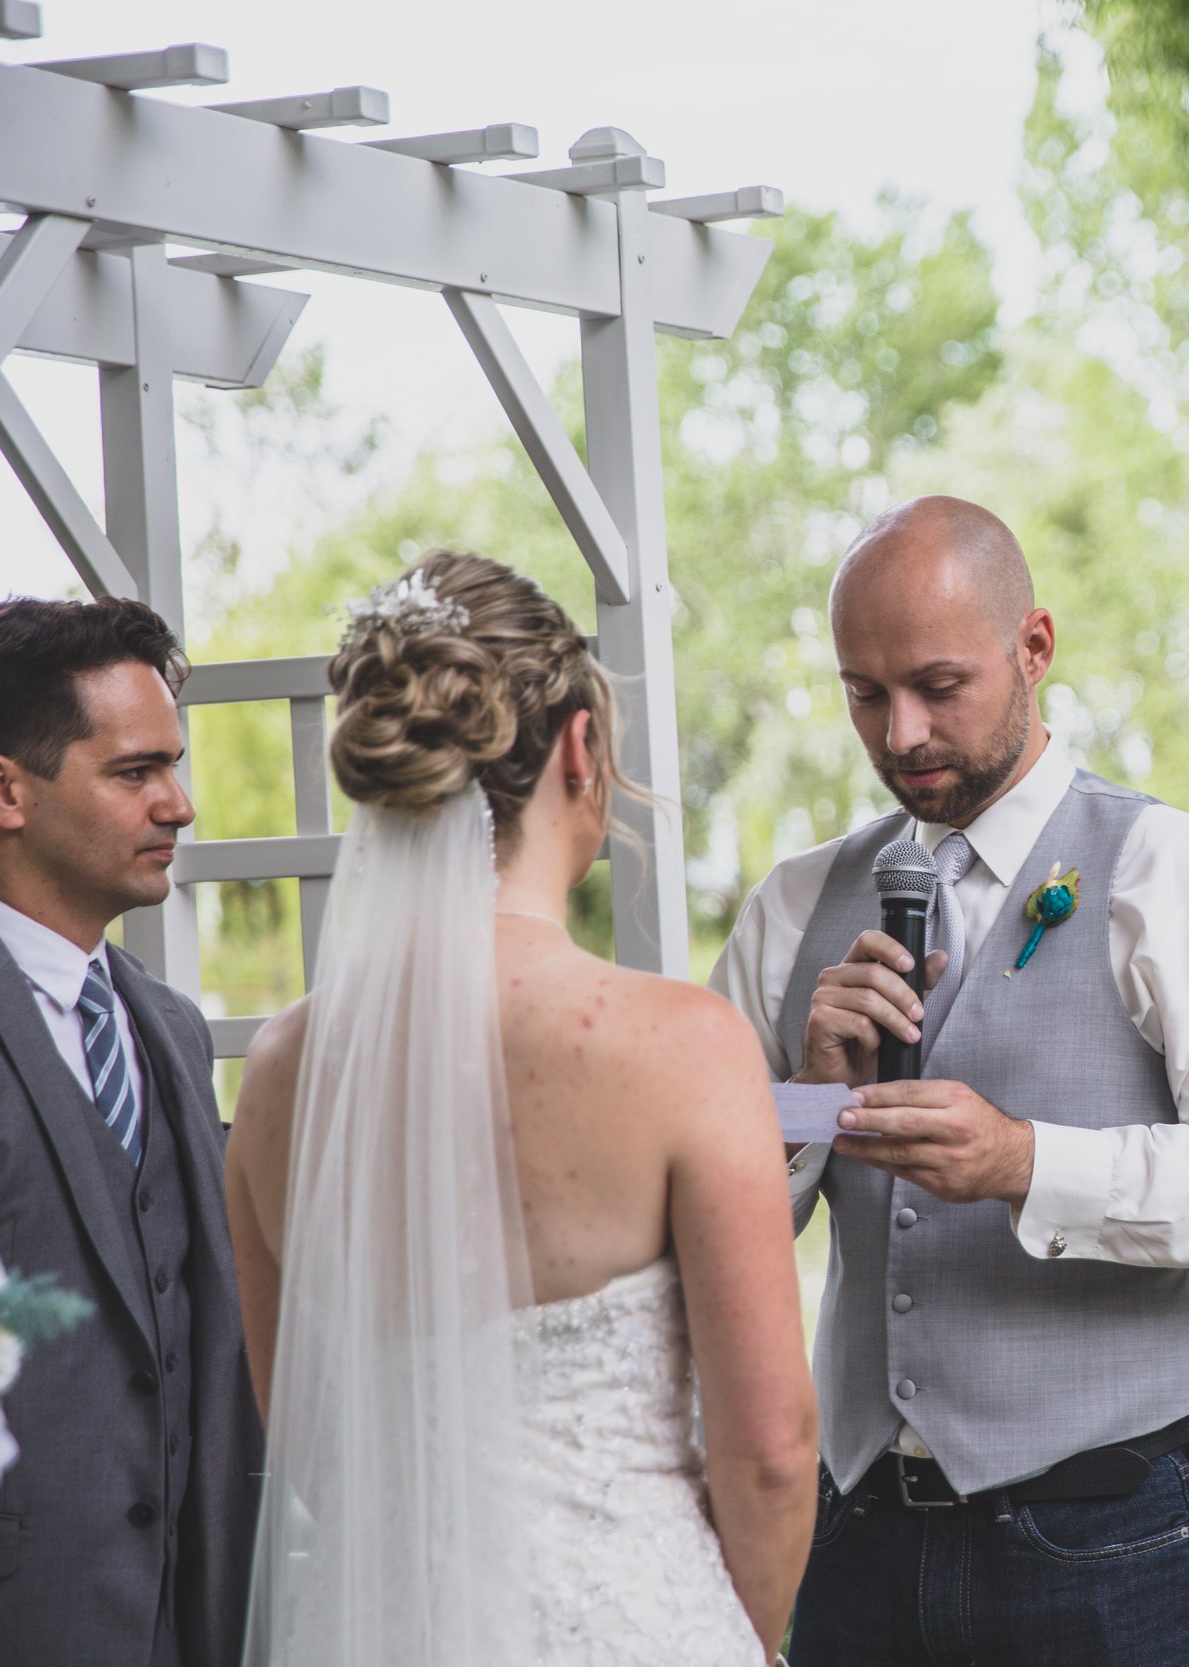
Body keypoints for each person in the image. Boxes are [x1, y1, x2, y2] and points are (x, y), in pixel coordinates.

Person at [711, 495, 1189, 1666]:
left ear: (1033, 648)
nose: (899, 734)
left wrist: (1025, 1160)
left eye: (938, 686)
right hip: (857, 1539)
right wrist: (804, 1092)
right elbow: (709, 1221)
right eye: (863, 692)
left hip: (1109, 1542)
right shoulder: (790, 907)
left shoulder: (1168, 867)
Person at [222, 552, 817, 1666]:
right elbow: (772, 1450)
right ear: (581, 748)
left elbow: (306, 1436)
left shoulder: (282, 1070)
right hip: (631, 1627)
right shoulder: (679, 1046)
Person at [0, 596, 263, 1667]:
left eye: (176, 765)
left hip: (199, 1618)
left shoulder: (168, 1025)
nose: (183, 804)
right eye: (136, 772)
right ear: (2, 787)